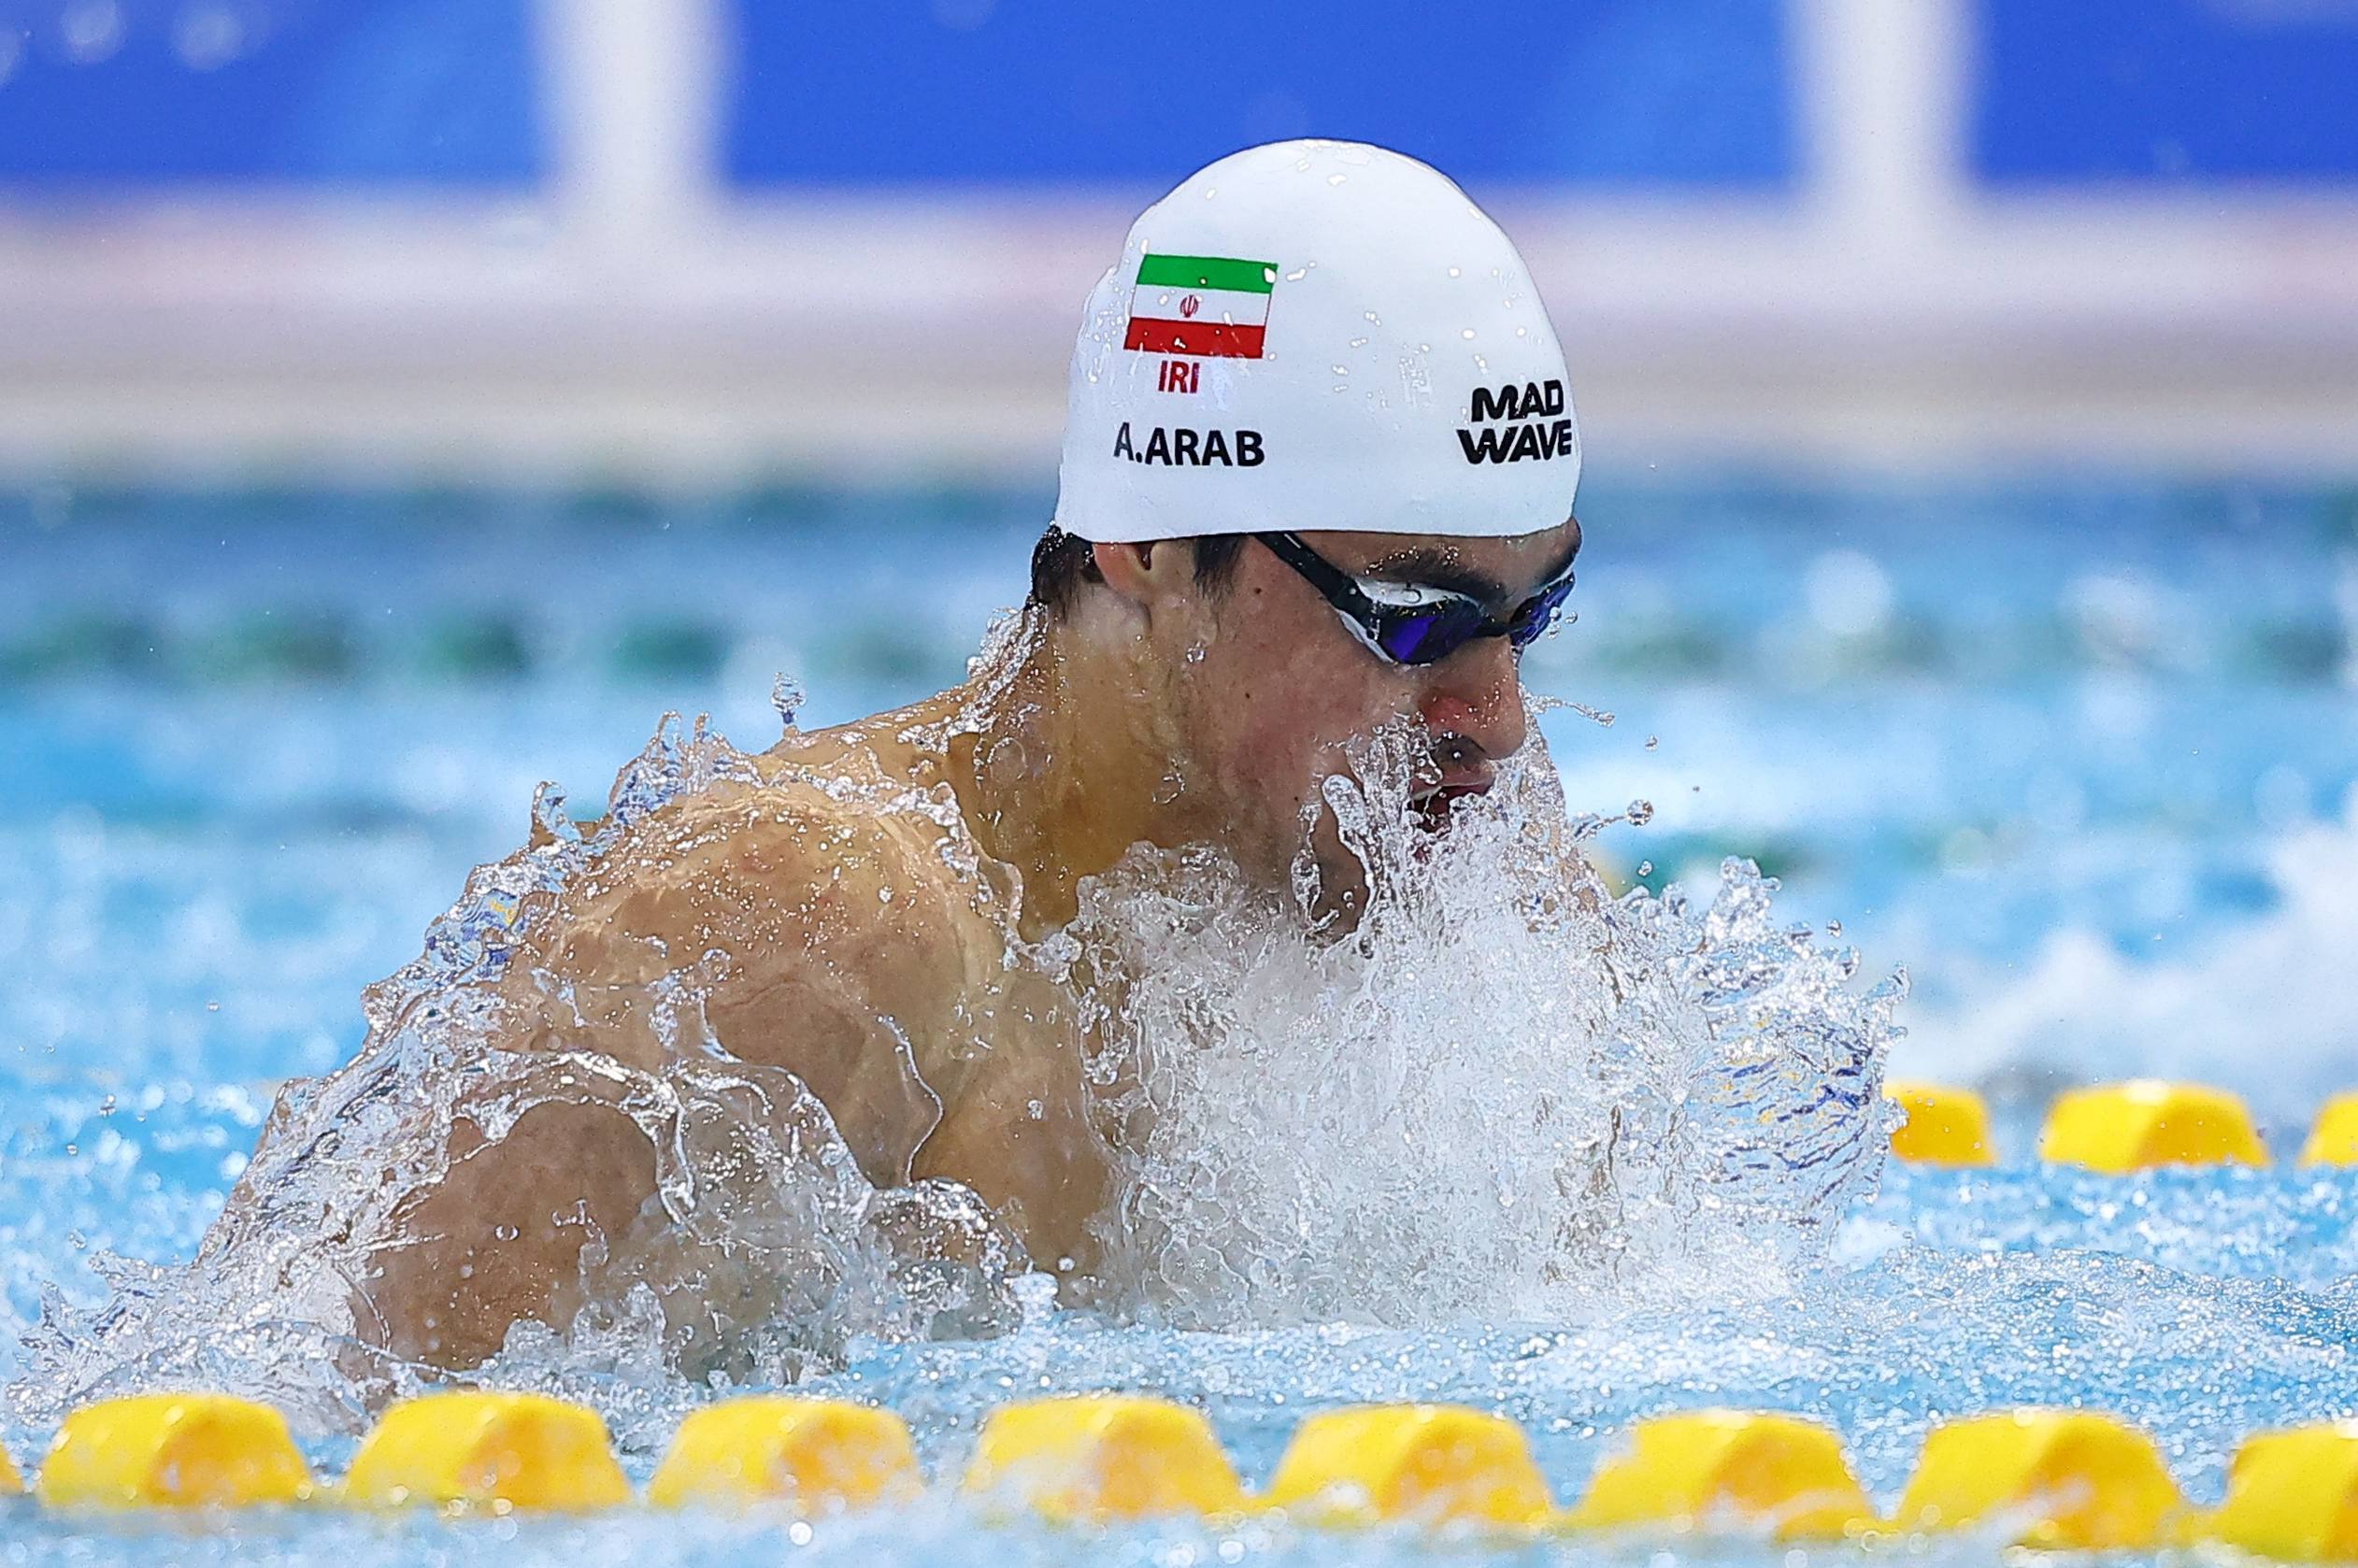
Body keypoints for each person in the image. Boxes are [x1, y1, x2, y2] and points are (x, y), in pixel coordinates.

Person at [338, 139, 1584, 1367]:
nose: (1500, 720)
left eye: (1533, 615)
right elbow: (398, 1429)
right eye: (1415, 622)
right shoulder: (816, 926)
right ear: (1149, 547)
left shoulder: (1478, 881)